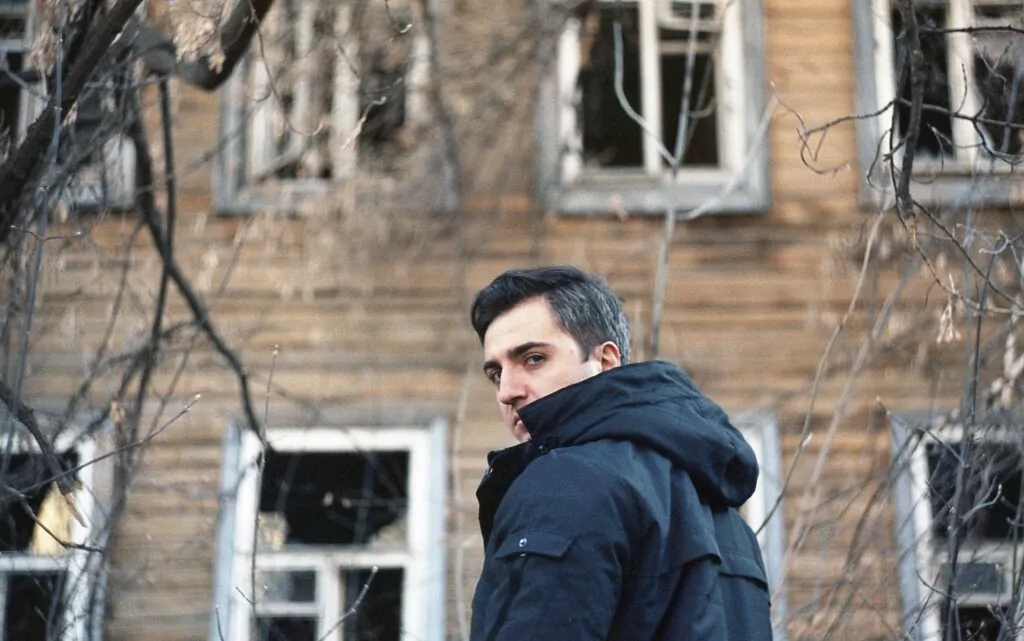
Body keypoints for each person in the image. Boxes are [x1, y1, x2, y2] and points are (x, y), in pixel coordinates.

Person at [468, 265, 773, 641]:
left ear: (605, 361)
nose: (507, 391)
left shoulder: (567, 482)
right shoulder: (723, 514)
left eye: (533, 359)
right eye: (496, 373)